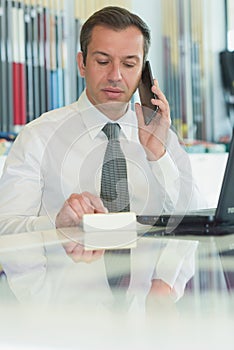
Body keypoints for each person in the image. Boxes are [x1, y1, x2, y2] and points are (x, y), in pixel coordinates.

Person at [0, 7, 205, 251]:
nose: (115, 75)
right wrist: (56, 224)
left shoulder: (160, 134)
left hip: (141, 287)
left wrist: (158, 155)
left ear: (143, 73)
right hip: (70, 285)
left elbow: (200, 221)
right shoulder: (38, 136)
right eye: (103, 61)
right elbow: (5, 227)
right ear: (82, 64)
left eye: (129, 64)